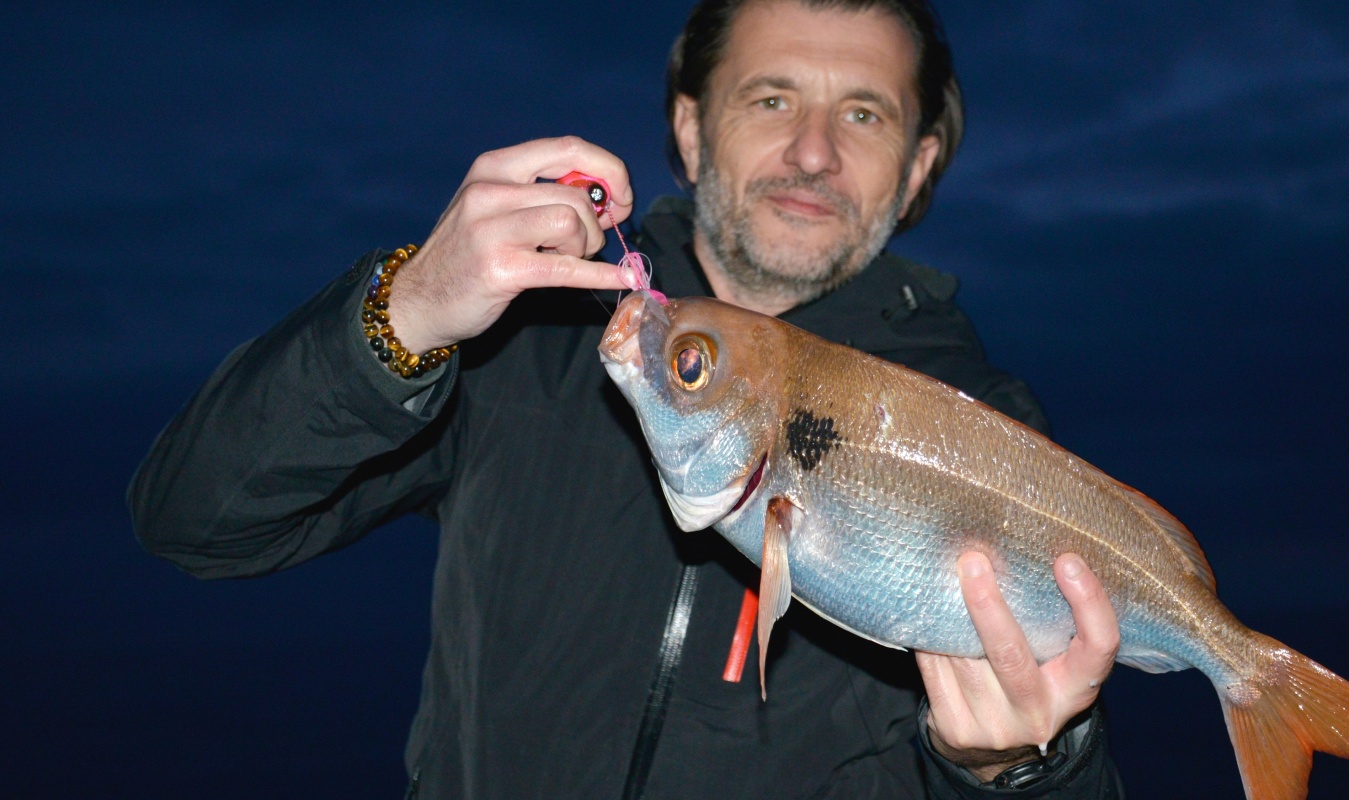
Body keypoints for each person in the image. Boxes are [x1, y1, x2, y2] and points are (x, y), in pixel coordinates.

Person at [130, 1, 1124, 797]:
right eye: (771, 98)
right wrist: (408, 308)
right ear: (690, 128)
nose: (814, 151)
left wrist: (1020, 767)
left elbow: (1047, 753)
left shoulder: (987, 433)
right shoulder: (525, 339)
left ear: (916, 168)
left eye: (863, 113)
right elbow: (195, 522)